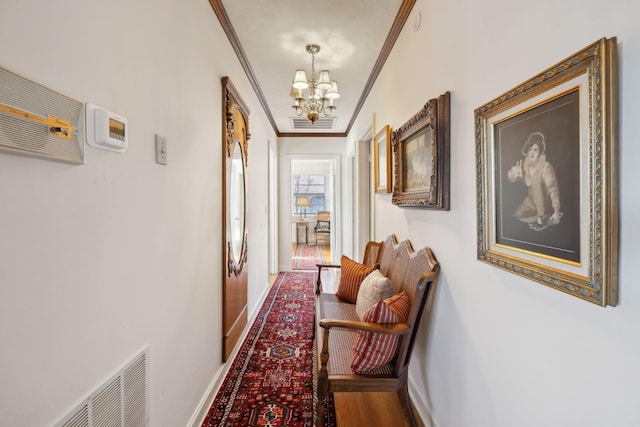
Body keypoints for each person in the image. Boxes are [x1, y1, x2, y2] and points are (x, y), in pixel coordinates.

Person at [507, 132, 562, 231]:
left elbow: (553, 190)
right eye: (530, 149)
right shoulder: (526, 165)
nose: (532, 152)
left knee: (537, 183)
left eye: (535, 150)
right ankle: (541, 218)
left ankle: (542, 217)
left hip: (545, 201)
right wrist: (515, 175)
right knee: (517, 215)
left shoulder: (546, 167)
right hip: (531, 201)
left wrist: (556, 211)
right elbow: (523, 181)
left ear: (540, 152)